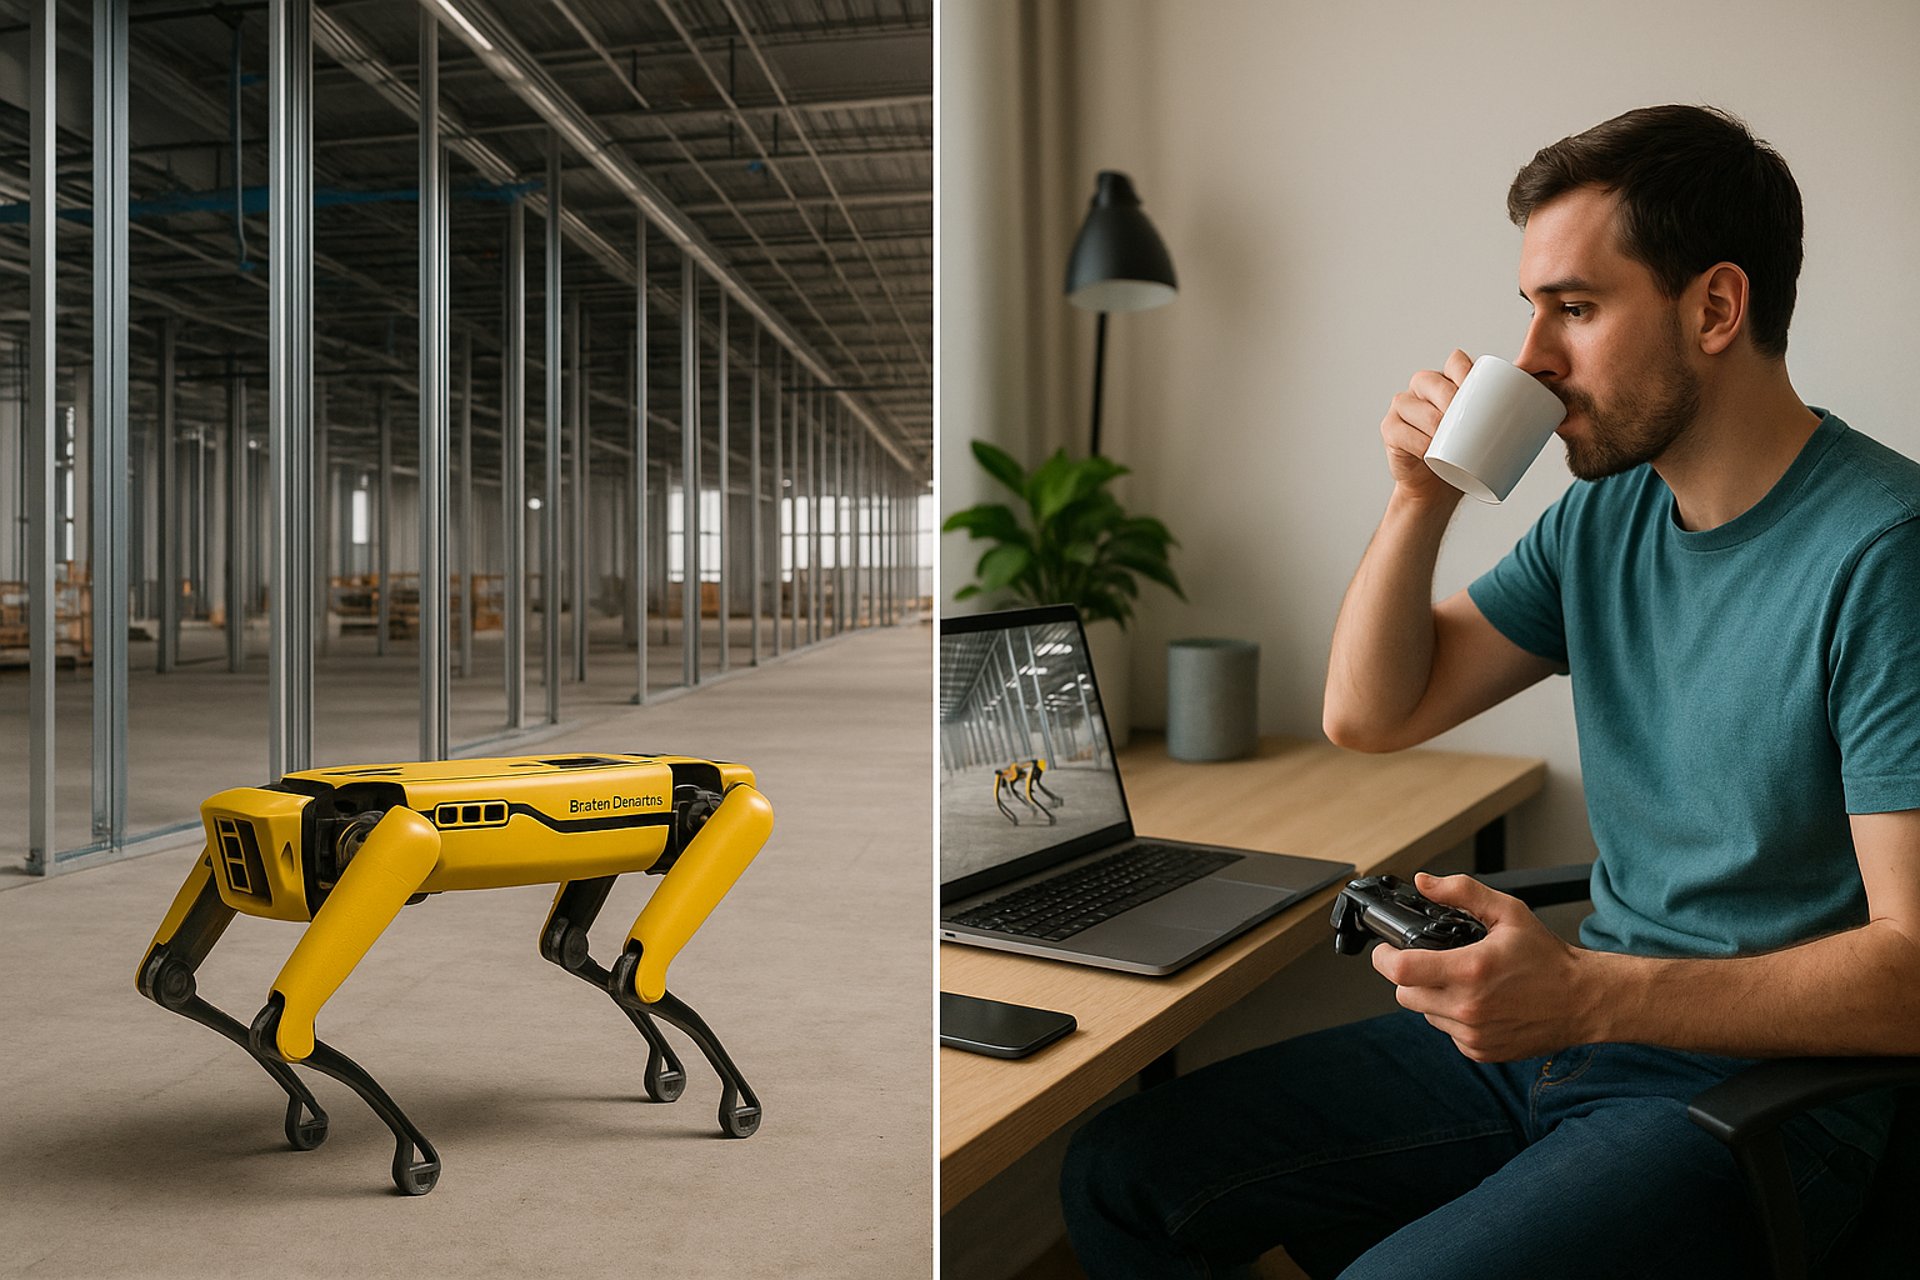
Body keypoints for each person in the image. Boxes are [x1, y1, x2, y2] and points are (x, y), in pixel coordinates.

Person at [1059, 104, 1920, 1278]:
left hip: (1765, 1100)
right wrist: (1423, 496)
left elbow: (1911, 972)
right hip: (1572, 1037)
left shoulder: (1885, 552)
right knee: (1122, 1170)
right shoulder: (1604, 517)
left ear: (1715, 307)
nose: (1532, 358)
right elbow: (1372, 712)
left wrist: (1583, 992)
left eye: (1574, 306)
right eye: (1531, 308)